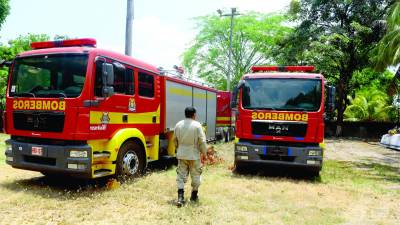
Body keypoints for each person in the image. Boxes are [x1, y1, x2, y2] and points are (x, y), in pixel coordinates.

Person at [173, 106, 207, 207]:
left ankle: (180, 198)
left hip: (182, 154)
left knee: (181, 176)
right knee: (196, 175)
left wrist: (178, 148)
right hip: (194, 155)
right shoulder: (197, 125)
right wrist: (204, 153)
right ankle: (194, 196)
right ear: (194, 114)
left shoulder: (178, 125)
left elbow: (174, 140)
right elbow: (202, 141)